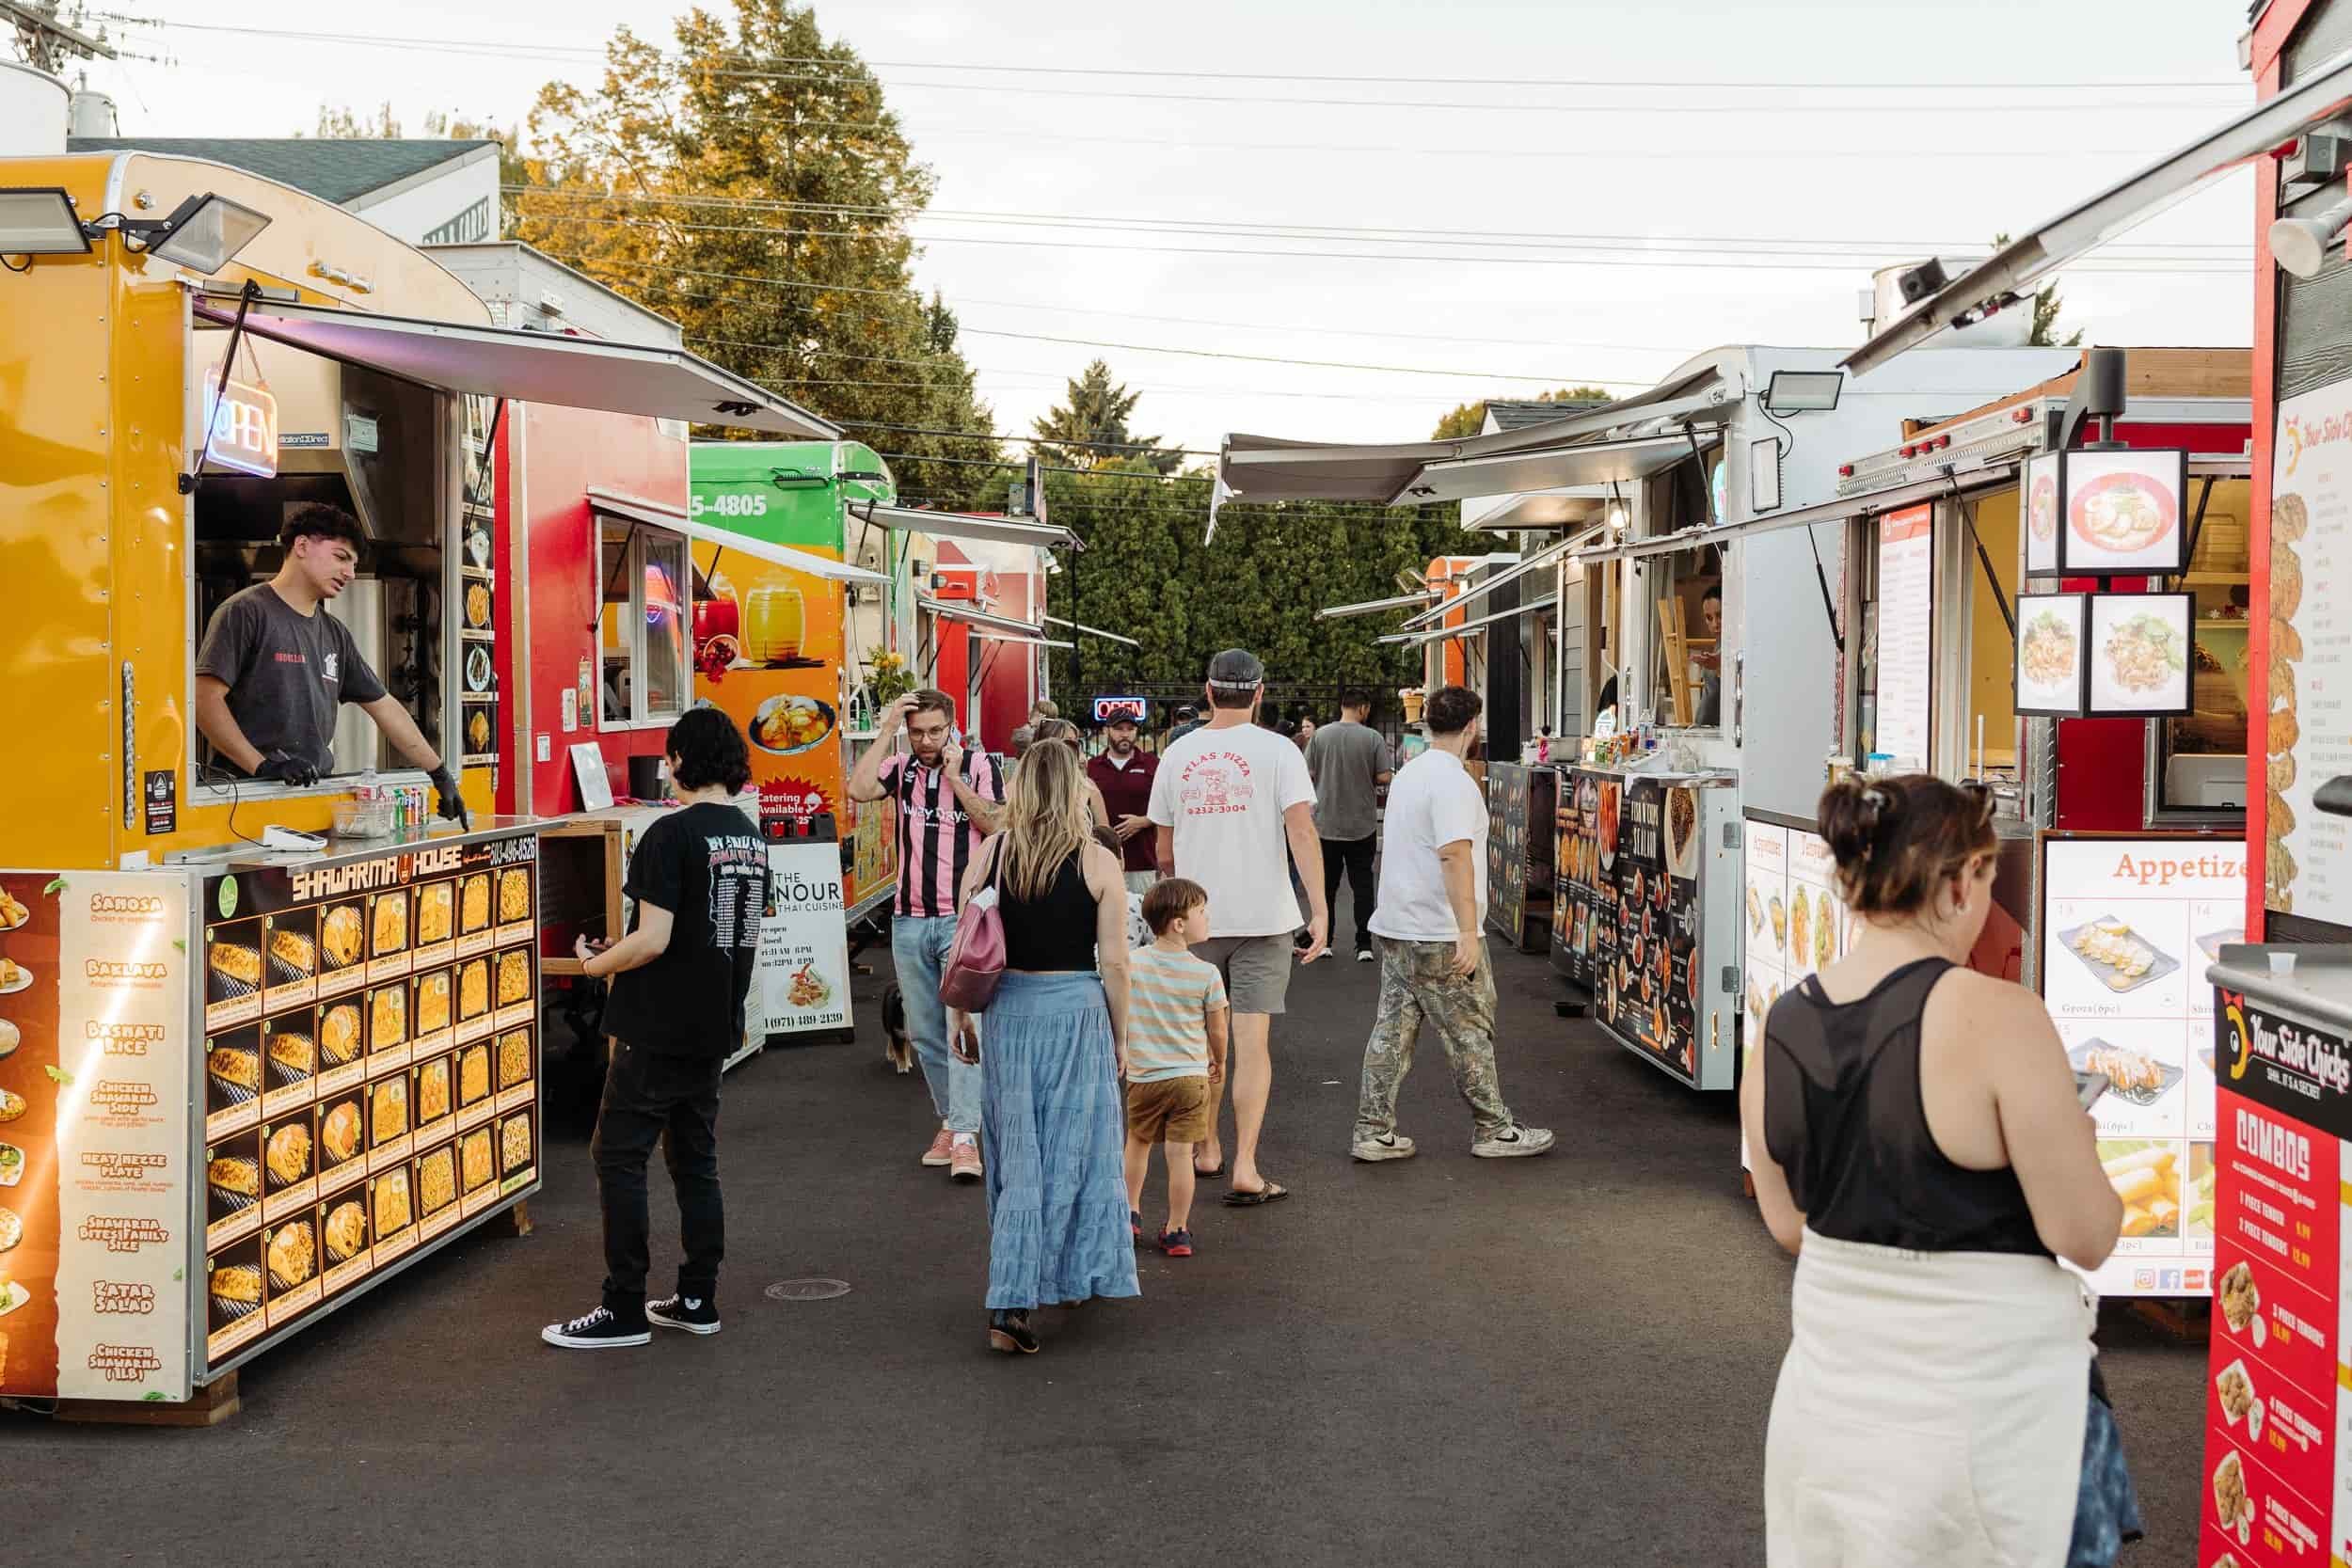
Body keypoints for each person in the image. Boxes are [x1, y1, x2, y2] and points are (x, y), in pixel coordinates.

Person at [1743, 775, 2136, 1568]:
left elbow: (1790, 1224)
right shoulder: (1998, 1015)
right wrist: (2076, 1142)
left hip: (1829, 1427)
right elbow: (2086, 1233)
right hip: (1992, 1430)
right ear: (1958, 885)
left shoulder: (1781, 1024)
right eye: (1987, 880)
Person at [542, 707, 770, 1349]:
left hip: (655, 1023)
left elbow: (653, 939)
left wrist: (595, 963)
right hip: (715, 1023)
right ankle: (698, 1295)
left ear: (679, 759)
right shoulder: (750, 838)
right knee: (695, 1159)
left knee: (617, 1154)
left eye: (670, 756)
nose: (666, 768)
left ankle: (623, 1306)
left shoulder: (668, 836)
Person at [947, 739, 1137, 1354]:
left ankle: (1013, 1299)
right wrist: (1123, 1034)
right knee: (1076, 1153)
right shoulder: (1097, 860)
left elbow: (966, 941)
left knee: (1019, 1158)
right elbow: (1115, 962)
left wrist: (961, 1017)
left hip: (1008, 1010)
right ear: (1073, 787)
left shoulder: (992, 854)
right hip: (1078, 1011)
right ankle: (1066, 1274)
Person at [1150, 648, 1327, 1205]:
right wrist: (1319, 910)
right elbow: (1301, 831)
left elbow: (1163, 848)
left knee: (1201, 1042)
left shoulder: (1178, 755)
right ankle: (1246, 1165)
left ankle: (1206, 1147)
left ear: (1207, 691)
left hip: (1195, 920)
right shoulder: (1279, 752)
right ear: (1259, 692)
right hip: (1266, 917)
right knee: (1253, 1045)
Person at [1352, 686, 1553, 1164]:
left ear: (1428, 724)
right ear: (1472, 727)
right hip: (1440, 928)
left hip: (1398, 922)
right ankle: (1494, 1129)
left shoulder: (1410, 774)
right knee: (1469, 1030)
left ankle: (1372, 1128)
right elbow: (1454, 853)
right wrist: (1468, 928)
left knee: (1391, 1032)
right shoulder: (1455, 782)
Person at [195, 502, 467, 825]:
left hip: (309, 795)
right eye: (341, 557)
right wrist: (262, 766)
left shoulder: (334, 632)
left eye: (353, 564)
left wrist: (439, 774)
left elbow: (386, 708)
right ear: (302, 546)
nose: (350, 574)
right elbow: (203, 700)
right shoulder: (244, 612)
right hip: (244, 800)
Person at [849, 689, 1006, 1181]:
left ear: (952, 725)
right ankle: (954, 1123)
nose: (925, 741)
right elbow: (857, 789)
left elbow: (996, 822)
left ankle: (963, 1137)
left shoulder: (978, 765)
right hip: (908, 916)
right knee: (921, 1032)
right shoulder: (900, 768)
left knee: (964, 1029)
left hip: (963, 918)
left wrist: (955, 778)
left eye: (935, 731)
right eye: (916, 732)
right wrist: (887, 725)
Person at [1121, 878, 1228, 1258]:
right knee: (1181, 1155)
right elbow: (1218, 1027)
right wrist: (1218, 1058)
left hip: (1145, 1076)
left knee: (1138, 1143)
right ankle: (1177, 1230)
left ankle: (1129, 1214)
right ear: (1178, 923)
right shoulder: (1206, 974)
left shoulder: (1133, 964)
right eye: (1202, 911)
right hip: (1190, 1078)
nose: (1207, 917)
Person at [1307, 689, 1393, 964]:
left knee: (1327, 886)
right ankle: (1364, 944)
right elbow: (1383, 775)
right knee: (1363, 885)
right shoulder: (1372, 738)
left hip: (1325, 823)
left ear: (1342, 706)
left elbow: (1307, 772)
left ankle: (1325, 942)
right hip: (1362, 824)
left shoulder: (1320, 736)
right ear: (1364, 708)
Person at [1086, 710, 1161, 894]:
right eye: (1119, 729)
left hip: (1142, 862)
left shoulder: (1153, 764)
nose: (1125, 734)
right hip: (1099, 860)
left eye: (1130, 728)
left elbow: (1169, 806)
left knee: (1143, 917)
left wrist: (1145, 821)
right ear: (1106, 731)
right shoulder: (1091, 767)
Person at [1029, 718, 1111, 830]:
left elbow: (1106, 836)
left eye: (1076, 744)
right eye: (1067, 744)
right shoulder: (1024, 786)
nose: (1076, 752)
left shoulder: (1088, 787)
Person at [1692, 584, 1724, 727]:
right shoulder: (1718, 643)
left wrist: (1719, 665)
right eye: (1709, 618)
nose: (1715, 624)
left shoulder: (1734, 646)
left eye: (1720, 615)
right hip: (1705, 730)